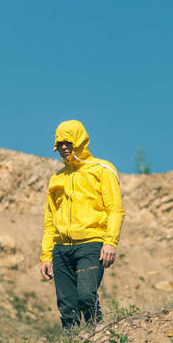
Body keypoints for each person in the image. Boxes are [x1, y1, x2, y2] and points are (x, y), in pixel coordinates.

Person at [40, 120, 125, 330]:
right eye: (60, 144)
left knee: (86, 295)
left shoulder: (102, 170)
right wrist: (46, 256)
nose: (64, 147)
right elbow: (50, 221)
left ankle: (99, 334)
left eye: (68, 142)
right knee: (67, 307)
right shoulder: (57, 178)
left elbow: (115, 210)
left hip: (91, 244)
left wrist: (110, 242)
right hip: (61, 250)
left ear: (79, 141)